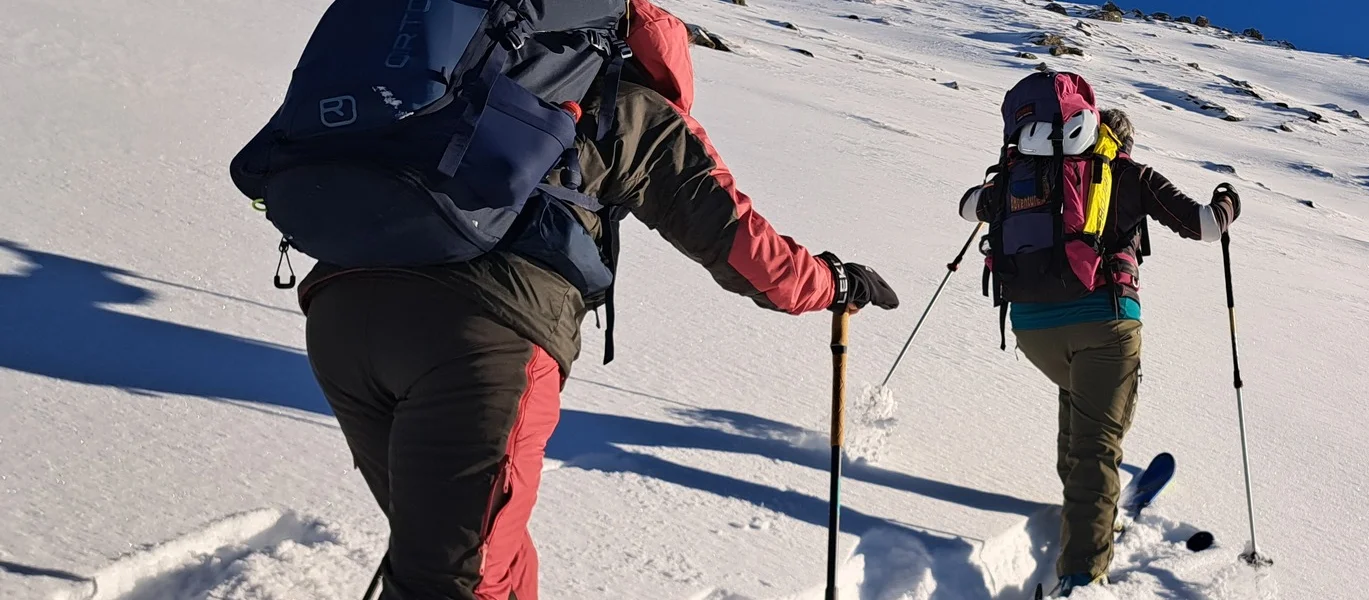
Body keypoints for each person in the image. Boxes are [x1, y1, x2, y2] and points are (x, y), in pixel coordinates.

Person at [256, 3, 899, 599]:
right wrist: (832, 283)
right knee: (463, 577)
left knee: (468, 563)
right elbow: (748, 253)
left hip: (340, 315)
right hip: (482, 342)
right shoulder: (626, 102)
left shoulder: (461, 62)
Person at [960, 107, 1239, 596]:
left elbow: (968, 207)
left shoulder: (1033, 172)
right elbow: (1206, 226)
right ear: (1123, 142)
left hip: (1030, 326)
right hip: (1105, 323)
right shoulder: (1128, 173)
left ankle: (1087, 503)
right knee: (1098, 445)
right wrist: (1228, 202)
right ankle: (1082, 575)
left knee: (1080, 401)